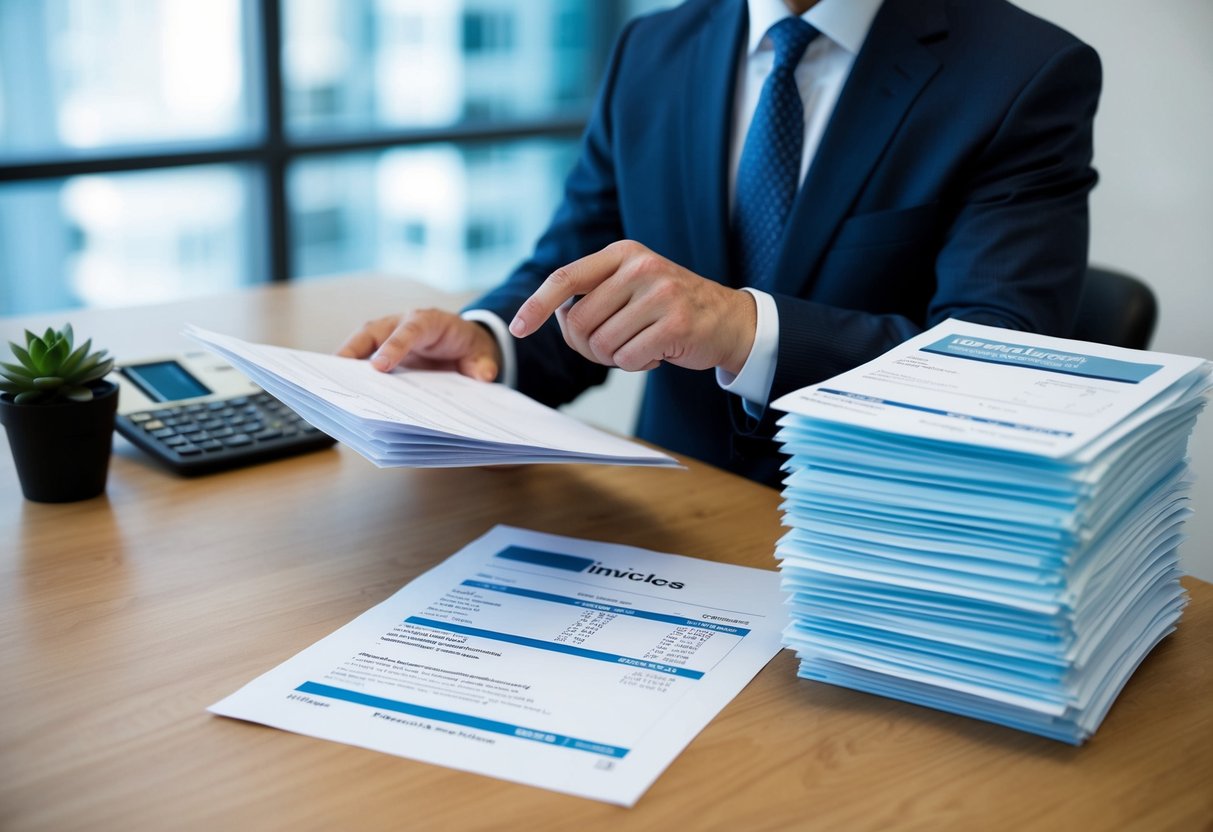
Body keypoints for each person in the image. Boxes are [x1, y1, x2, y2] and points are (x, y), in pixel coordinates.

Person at [338, 0, 1101, 487]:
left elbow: (1000, 365)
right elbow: (578, 266)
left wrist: (744, 328)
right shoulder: (651, 48)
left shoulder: (1023, 73)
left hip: (875, 547)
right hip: (668, 515)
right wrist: (483, 341)